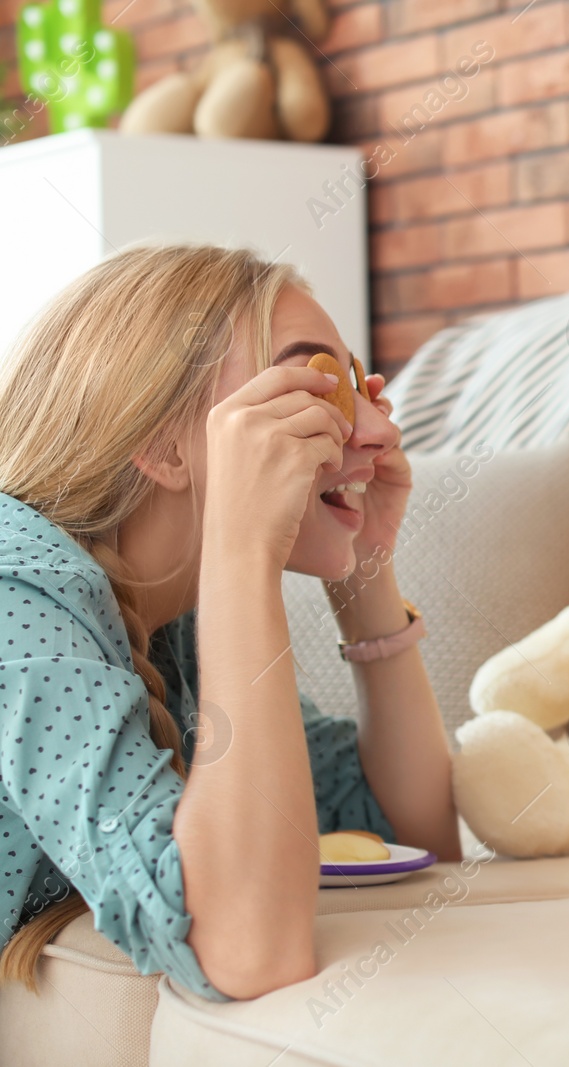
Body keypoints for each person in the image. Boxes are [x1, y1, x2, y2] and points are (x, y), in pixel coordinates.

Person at [0, 244, 459, 1002]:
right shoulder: (20, 589)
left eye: (359, 389)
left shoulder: (168, 622)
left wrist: (368, 570)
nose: (379, 429)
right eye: (318, 386)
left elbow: (414, 839)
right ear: (160, 443)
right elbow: (248, 949)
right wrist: (243, 549)